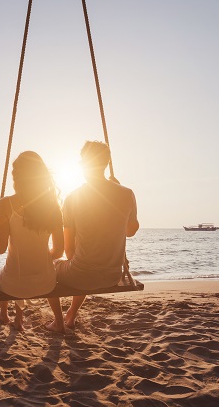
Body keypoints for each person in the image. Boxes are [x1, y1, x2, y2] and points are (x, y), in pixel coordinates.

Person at [50, 141, 139, 330]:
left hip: (82, 275)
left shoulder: (73, 198)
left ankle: (58, 322)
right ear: (106, 163)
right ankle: (72, 314)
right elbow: (130, 231)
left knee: (50, 266)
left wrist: (80, 267)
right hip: (112, 276)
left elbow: (68, 250)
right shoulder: (127, 193)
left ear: (84, 164)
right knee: (83, 259)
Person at [0, 151, 65, 332]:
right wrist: (43, 258)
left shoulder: (6, 204)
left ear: (17, 176)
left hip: (13, 284)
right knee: (39, 270)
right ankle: (58, 322)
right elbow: (59, 251)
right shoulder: (53, 206)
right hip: (45, 282)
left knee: (8, 272)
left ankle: (6, 315)